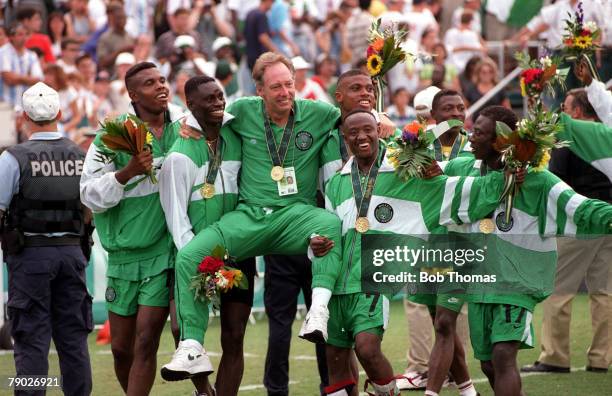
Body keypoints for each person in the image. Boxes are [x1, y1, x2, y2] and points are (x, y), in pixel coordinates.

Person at [161, 52, 344, 381]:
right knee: (190, 255)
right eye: (276, 86)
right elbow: (205, 113)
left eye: (289, 84)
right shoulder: (243, 110)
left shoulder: (317, 113)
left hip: (294, 216)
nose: (285, 92)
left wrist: (378, 117)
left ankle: (318, 312)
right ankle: (191, 346)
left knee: (330, 224)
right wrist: (187, 126)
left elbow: (351, 117)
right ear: (259, 89)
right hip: (249, 216)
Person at [314, 109, 511, 395]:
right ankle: (465, 389)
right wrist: (314, 243)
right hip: (337, 283)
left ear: (378, 131)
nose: (361, 137)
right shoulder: (336, 184)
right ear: (345, 138)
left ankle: (395, 391)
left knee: (368, 348)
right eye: (353, 132)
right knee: (335, 357)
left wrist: (501, 174)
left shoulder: (405, 172)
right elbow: (329, 232)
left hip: (373, 278)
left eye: (368, 129)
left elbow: (453, 192)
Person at [443, 105, 612, 395]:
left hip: (516, 282)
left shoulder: (536, 180)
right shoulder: (463, 167)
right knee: (487, 364)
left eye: (479, 133)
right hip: (479, 282)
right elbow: (431, 183)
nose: (471, 137)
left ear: (500, 141)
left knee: (503, 356)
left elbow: (581, 209)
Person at [80, 62, 184, 395]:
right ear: (133, 94)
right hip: (123, 256)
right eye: (151, 83)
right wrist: (125, 173)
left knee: (145, 341)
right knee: (120, 348)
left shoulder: (184, 125)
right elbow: (88, 193)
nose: (161, 87)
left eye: (163, 80)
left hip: (163, 251)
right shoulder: (113, 134)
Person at [159, 75, 255, 395]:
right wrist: (204, 264)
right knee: (181, 329)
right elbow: (176, 217)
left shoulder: (235, 135)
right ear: (190, 105)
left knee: (234, 334)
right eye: (209, 99)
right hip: (198, 256)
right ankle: (204, 390)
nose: (218, 103)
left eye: (220, 96)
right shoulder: (180, 154)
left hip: (238, 253)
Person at [0, 82, 92, 396]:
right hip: (71, 253)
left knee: (31, 340)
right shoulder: (80, 155)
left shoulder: (13, 157)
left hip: (30, 257)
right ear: (61, 113)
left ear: (24, 116)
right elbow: (89, 208)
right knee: (73, 338)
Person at [520, 90, 611, 374]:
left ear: (579, 111)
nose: (562, 111)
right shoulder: (606, 136)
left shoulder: (569, 138)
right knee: (605, 293)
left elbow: (554, 179)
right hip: (608, 218)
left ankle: (555, 356)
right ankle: (601, 358)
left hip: (578, 221)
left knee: (559, 290)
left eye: (566, 107)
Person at [404, 88, 475, 396]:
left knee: (445, 321)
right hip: (427, 242)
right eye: (449, 109)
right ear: (434, 116)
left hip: (463, 243)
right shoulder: (417, 146)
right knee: (440, 322)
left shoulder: (476, 144)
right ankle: (468, 389)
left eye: (461, 108)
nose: (457, 113)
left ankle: (431, 391)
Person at [0, 23, 43, 107]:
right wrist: (28, 78)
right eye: (20, 34)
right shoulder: (2, 52)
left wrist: (17, 78)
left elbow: (38, 79)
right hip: (5, 104)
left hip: (26, 105)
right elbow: (8, 79)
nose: (24, 37)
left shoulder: (32, 55)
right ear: (11, 37)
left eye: (26, 34)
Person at [464, 57, 510, 122]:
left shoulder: (499, 89)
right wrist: (467, 121)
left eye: (490, 72)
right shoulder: (471, 89)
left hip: (496, 125)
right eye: (484, 72)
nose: (487, 74)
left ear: (494, 73)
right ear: (478, 73)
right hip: (477, 125)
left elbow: (507, 109)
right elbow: (464, 108)